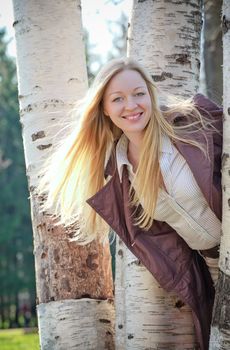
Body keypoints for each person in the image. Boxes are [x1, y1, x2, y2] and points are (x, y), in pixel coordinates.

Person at [40, 57, 223, 350]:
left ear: (150, 94)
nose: (131, 105)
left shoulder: (194, 122)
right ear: (104, 109)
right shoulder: (122, 173)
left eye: (139, 93)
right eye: (118, 99)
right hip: (216, 271)